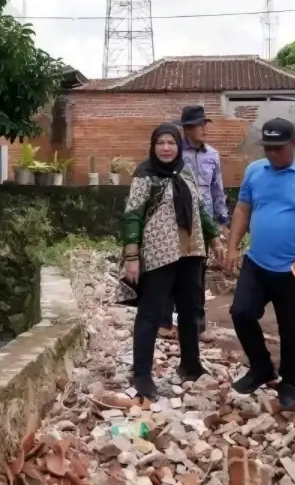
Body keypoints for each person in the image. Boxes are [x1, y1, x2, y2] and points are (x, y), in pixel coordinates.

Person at [223, 118, 295, 410]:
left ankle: (289, 384)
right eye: (268, 148)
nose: (272, 153)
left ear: (294, 145)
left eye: (278, 148)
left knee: (292, 330)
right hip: (257, 262)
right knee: (241, 312)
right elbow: (243, 208)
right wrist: (233, 246)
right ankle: (261, 368)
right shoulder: (254, 171)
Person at [120, 124, 226, 399]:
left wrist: (215, 241)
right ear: (153, 146)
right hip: (159, 256)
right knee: (150, 314)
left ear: (178, 146)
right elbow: (132, 214)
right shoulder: (145, 175)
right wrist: (132, 256)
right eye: (160, 143)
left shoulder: (185, 171)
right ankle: (142, 375)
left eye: (171, 143)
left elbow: (200, 209)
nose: (166, 148)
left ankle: (190, 364)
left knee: (191, 312)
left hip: (191, 253)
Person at [160, 106, 228, 340]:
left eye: (205, 123)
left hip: (204, 224)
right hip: (177, 220)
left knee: (197, 274)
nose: (204, 128)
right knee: (170, 268)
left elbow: (218, 189)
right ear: (187, 129)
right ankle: (165, 323)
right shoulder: (176, 154)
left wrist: (222, 221)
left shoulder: (213, 155)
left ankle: (197, 326)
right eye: (200, 124)